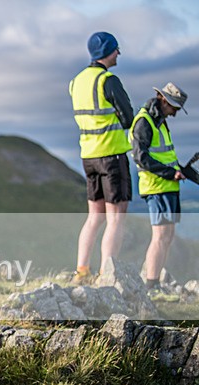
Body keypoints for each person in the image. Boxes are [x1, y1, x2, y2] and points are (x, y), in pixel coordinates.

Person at [69, 31, 135, 285]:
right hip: (111, 155)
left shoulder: (76, 82)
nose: (119, 53)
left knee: (94, 216)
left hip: (88, 155)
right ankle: (108, 275)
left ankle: (82, 271)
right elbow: (128, 118)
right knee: (116, 216)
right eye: (117, 49)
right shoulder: (108, 80)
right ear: (109, 51)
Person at [129, 82, 190, 300]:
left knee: (167, 236)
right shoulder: (145, 122)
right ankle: (151, 284)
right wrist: (168, 172)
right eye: (174, 107)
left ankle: (154, 282)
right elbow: (141, 157)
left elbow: (162, 154)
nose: (175, 113)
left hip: (168, 186)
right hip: (156, 187)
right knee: (160, 235)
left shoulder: (160, 121)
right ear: (164, 100)